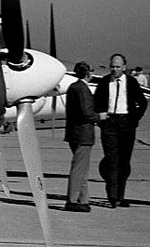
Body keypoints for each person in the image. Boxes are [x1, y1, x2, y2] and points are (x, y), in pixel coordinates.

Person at [93, 53, 146, 208]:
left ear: (124, 67)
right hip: (110, 123)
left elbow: (142, 102)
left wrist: (134, 119)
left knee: (124, 161)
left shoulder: (131, 82)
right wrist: (102, 119)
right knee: (111, 160)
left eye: (117, 67)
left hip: (126, 124)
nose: (114, 69)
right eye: (112, 66)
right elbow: (96, 102)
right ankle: (112, 196)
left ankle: (120, 196)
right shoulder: (104, 82)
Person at [62, 62, 95, 212]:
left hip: (74, 133)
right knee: (79, 168)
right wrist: (99, 116)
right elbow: (87, 113)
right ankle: (72, 200)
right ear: (88, 73)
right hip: (84, 134)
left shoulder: (73, 88)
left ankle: (83, 199)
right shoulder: (83, 89)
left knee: (82, 168)